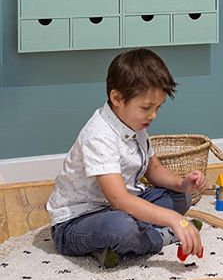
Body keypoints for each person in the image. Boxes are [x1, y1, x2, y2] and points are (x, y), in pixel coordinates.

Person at [47, 48, 206, 268]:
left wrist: (182, 183)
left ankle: (112, 246)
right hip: (77, 221)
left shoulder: (134, 123)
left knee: (182, 198)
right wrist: (172, 220)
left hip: (120, 207)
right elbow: (119, 200)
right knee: (120, 227)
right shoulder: (99, 135)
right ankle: (160, 238)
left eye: (158, 107)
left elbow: (155, 170)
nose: (153, 115)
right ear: (117, 98)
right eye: (146, 108)